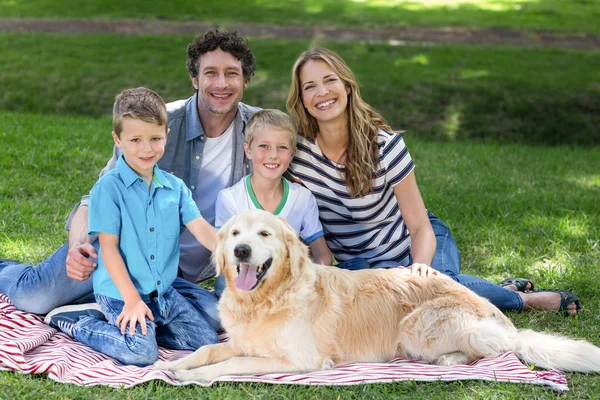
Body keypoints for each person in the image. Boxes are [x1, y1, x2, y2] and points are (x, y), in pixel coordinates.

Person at [285, 47, 581, 316]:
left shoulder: (385, 146)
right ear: (301, 100)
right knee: (391, 310)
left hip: (419, 244)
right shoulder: (296, 154)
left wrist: (419, 268)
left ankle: (524, 301)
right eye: (310, 86)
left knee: (430, 292)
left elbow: (420, 226)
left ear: (348, 86)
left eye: (330, 80)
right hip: (362, 268)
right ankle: (503, 290)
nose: (322, 92)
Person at [0, 30, 259, 325]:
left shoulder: (260, 132)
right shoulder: (153, 127)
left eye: (232, 74)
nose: (221, 84)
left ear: (246, 80)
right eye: (211, 73)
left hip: (173, 275)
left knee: (216, 319)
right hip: (121, 255)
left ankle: (94, 307)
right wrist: (76, 249)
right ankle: (6, 269)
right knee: (34, 297)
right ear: (194, 79)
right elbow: (92, 201)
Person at [45, 88, 218, 366]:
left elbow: (203, 231)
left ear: (167, 135)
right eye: (135, 139)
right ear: (118, 140)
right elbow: (109, 249)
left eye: (155, 139)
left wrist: (237, 252)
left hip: (161, 292)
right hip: (119, 291)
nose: (146, 149)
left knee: (206, 342)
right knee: (141, 352)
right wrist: (131, 300)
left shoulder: (175, 189)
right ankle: (79, 321)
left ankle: (146, 327)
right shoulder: (109, 188)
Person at [215, 109, 332, 265]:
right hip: (247, 278)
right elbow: (225, 256)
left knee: (357, 266)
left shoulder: (302, 198)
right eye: (264, 146)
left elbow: (322, 254)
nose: (273, 155)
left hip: (289, 281)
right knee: (224, 284)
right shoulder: (230, 199)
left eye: (282, 147)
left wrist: (311, 284)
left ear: (292, 153)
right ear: (248, 150)